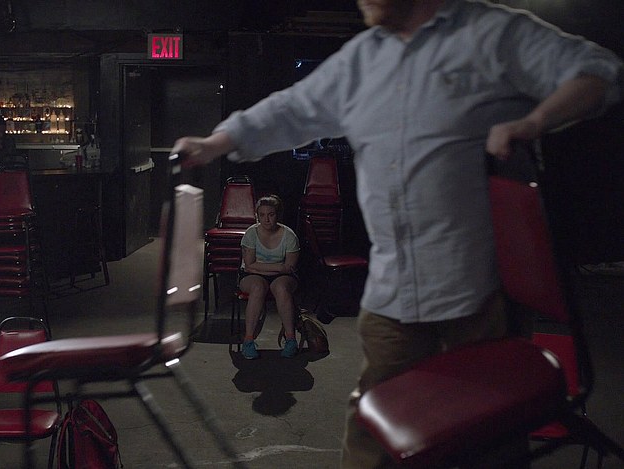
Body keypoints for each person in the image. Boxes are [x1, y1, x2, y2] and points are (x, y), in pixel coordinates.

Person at [172, 0, 623, 467]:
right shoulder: (363, 58)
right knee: (372, 439)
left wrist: (533, 122)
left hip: (478, 298)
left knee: (484, 444)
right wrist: (214, 143)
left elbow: (598, 73)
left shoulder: (489, 32)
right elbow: (289, 110)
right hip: (393, 298)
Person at [238, 195, 301, 359]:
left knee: (281, 288)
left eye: (271, 214)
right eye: (262, 215)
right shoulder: (251, 233)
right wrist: (278, 267)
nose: (266, 219)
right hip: (253, 276)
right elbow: (249, 265)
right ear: (257, 216)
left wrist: (263, 267)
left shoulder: (289, 236)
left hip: (283, 277)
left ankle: (290, 339)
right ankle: (248, 341)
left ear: (277, 215)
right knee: (258, 287)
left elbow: (289, 267)